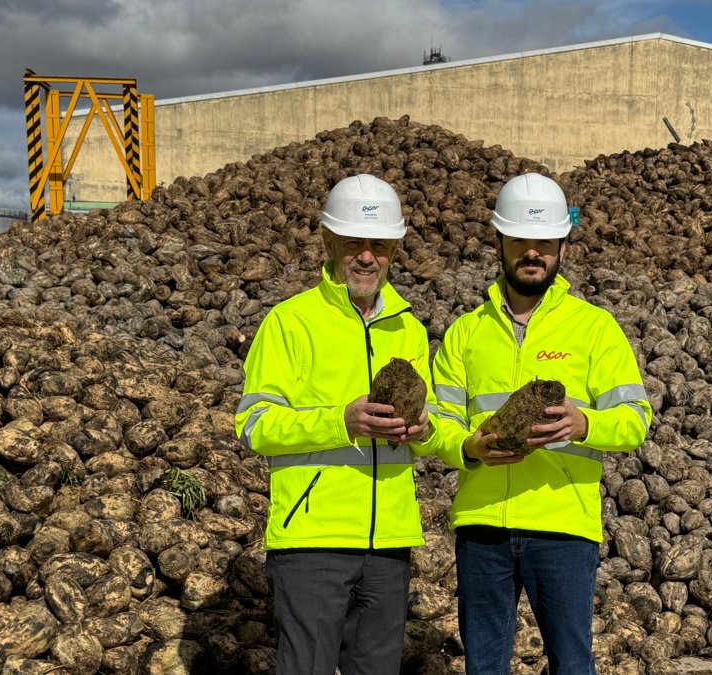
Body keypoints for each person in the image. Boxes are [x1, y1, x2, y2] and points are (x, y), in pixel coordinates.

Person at [431, 173, 653, 674]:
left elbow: (635, 419)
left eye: (545, 243)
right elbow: (438, 422)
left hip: (563, 528)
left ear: (562, 247)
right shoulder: (467, 333)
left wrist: (583, 423)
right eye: (521, 241)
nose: (533, 254)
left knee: (571, 664)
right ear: (500, 242)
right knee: (483, 665)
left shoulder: (595, 328)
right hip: (482, 525)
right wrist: (468, 447)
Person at [235, 174, 437, 675]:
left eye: (379, 245)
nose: (367, 257)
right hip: (312, 540)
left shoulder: (409, 328)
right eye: (354, 243)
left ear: (394, 248)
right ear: (328, 243)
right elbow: (254, 425)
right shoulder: (289, 322)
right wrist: (340, 421)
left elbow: (427, 425)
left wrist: (423, 431)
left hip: (389, 543)